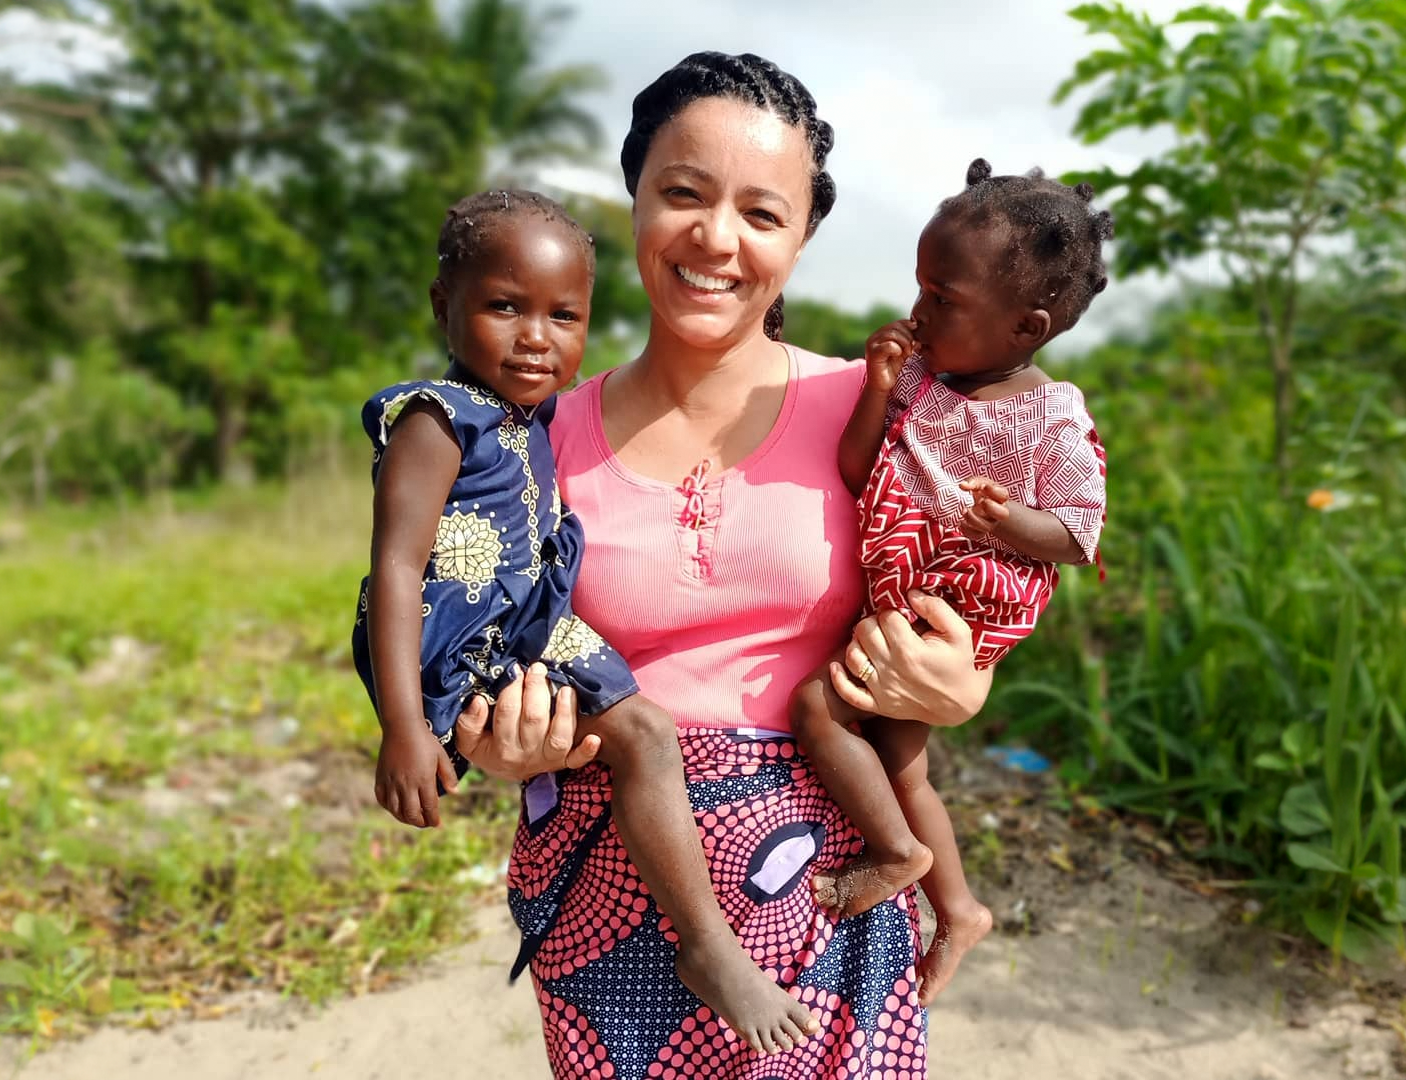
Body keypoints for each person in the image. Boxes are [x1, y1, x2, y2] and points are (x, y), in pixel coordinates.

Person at [448, 52, 994, 1078]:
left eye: (761, 213)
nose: (716, 239)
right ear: (636, 202)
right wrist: (499, 741)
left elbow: (964, 595)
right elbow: (478, 648)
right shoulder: (533, 436)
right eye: (683, 195)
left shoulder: (877, 412)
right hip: (614, 900)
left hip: (835, 888)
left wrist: (964, 678)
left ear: (803, 237)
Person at [352, 189, 821, 1050]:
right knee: (645, 733)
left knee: (643, 729)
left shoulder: (533, 418)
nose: (537, 337)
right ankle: (709, 943)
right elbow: (394, 566)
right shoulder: (437, 419)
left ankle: (703, 938)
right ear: (441, 307)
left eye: (564, 316)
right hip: (470, 643)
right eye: (504, 307)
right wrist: (404, 725)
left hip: (528, 624)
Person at [791, 159, 1113, 1006]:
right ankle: (955, 905)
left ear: (1025, 326)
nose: (920, 313)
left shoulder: (1052, 415)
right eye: (921, 290)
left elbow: (1079, 532)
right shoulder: (923, 384)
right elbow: (860, 470)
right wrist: (878, 390)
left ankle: (905, 861)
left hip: (963, 599)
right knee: (899, 760)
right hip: (903, 583)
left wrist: (1009, 521)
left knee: (821, 709)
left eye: (945, 299)